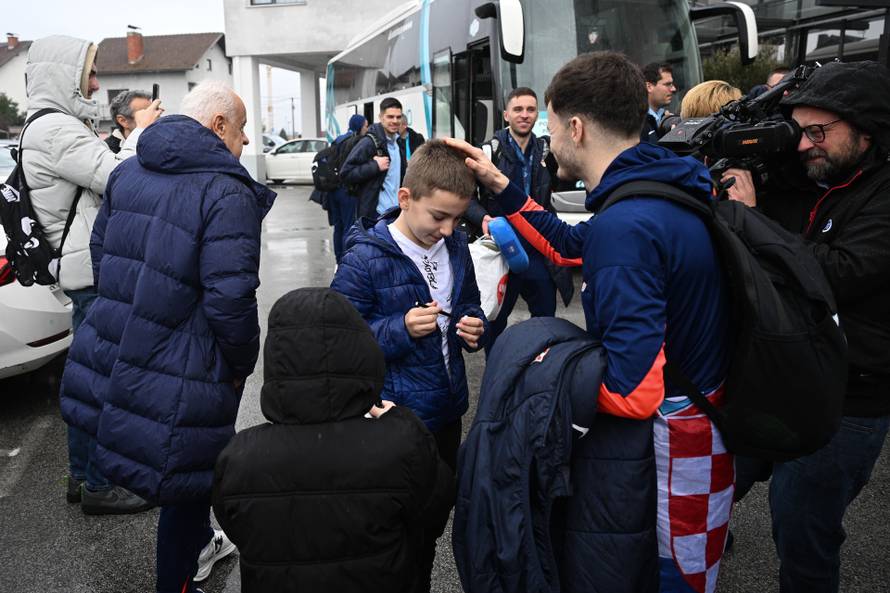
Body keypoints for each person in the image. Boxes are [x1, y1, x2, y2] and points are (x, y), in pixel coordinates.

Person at [446, 50, 732, 593]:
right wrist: (498, 182)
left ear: (575, 127)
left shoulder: (627, 225)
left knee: (669, 579)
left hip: (675, 452)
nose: (549, 140)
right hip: (701, 422)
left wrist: (539, 382)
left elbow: (632, 392)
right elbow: (570, 245)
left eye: (551, 127)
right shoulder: (659, 185)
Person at [58, 80, 276, 593]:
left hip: (128, 339)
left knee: (175, 461)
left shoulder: (130, 170)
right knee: (190, 475)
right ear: (218, 125)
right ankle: (179, 580)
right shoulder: (226, 190)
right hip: (193, 357)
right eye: (241, 130)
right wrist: (243, 358)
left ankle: (198, 550)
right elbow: (231, 297)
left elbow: (102, 250)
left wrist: (136, 300)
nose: (244, 143)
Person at [721, 60, 890, 593]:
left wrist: (750, 216)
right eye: (799, 132)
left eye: (819, 133)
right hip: (776, 379)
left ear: (867, 131)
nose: (803, 146)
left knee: (802, 528)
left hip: (849, 403)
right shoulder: (803, 175)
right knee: (711, 479)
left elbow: (835, 273)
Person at [212, 287, 455, 593]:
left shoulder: (240, 456)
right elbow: (436, 505)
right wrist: (403, 421)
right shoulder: (400, 444)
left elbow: (234, 521)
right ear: (361, 354)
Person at [331, 139, 487, 592]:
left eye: (457, 218)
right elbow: (339, 343)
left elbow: (469, 303)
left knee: (432, 523)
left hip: (446, 413)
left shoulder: (456, 246)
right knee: (397, 536)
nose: (448, 228)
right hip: (392, 420)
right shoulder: (362, 259)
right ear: (405, 198)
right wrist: (399, 327)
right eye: (438, 216)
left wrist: (472, 325)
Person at [22, 34, 161, 514]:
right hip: (90, 274)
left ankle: (82, 477)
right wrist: (142, 129)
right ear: (66, 74)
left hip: (81, 271)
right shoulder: (57, 131)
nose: (97, 82)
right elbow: (121, 176)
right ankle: (99, 485)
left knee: (88, 379)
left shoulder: (51, 126)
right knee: (103, 383)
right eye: (90, 72)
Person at [463, 86, 571, 353]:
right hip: (502, 250)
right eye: (518, 109)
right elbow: (465, 198)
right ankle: (496, 379)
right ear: (506, 115)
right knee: (494, 326)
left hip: (538, 252)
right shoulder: (489, 152)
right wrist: (484, 218)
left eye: (531, 109)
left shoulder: (547, 151)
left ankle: (539, 376)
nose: (525, 115)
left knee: (547, 324)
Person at [340, 97, 407, 219]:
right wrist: (374, 166)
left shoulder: (399, 142)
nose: (395, 121)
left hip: (397, 213)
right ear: (381, 117)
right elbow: (346, 174)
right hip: (376, 214)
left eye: (398, 117)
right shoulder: (369, 143)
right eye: (390, 117)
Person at [327, 114, 368, 263]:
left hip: (332, 190)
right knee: (348, 226)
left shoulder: (338, 139)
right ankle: (346, 260)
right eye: (365, 126)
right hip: (346, 191)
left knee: (338, 226)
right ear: (359, 126)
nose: (367, 128)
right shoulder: (356, 141)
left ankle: (339, 259)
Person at [641, 62, 676, 143]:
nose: (673, 89)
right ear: (649, 87)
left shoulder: (668, 118)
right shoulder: (636, 123)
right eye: (668, 84)